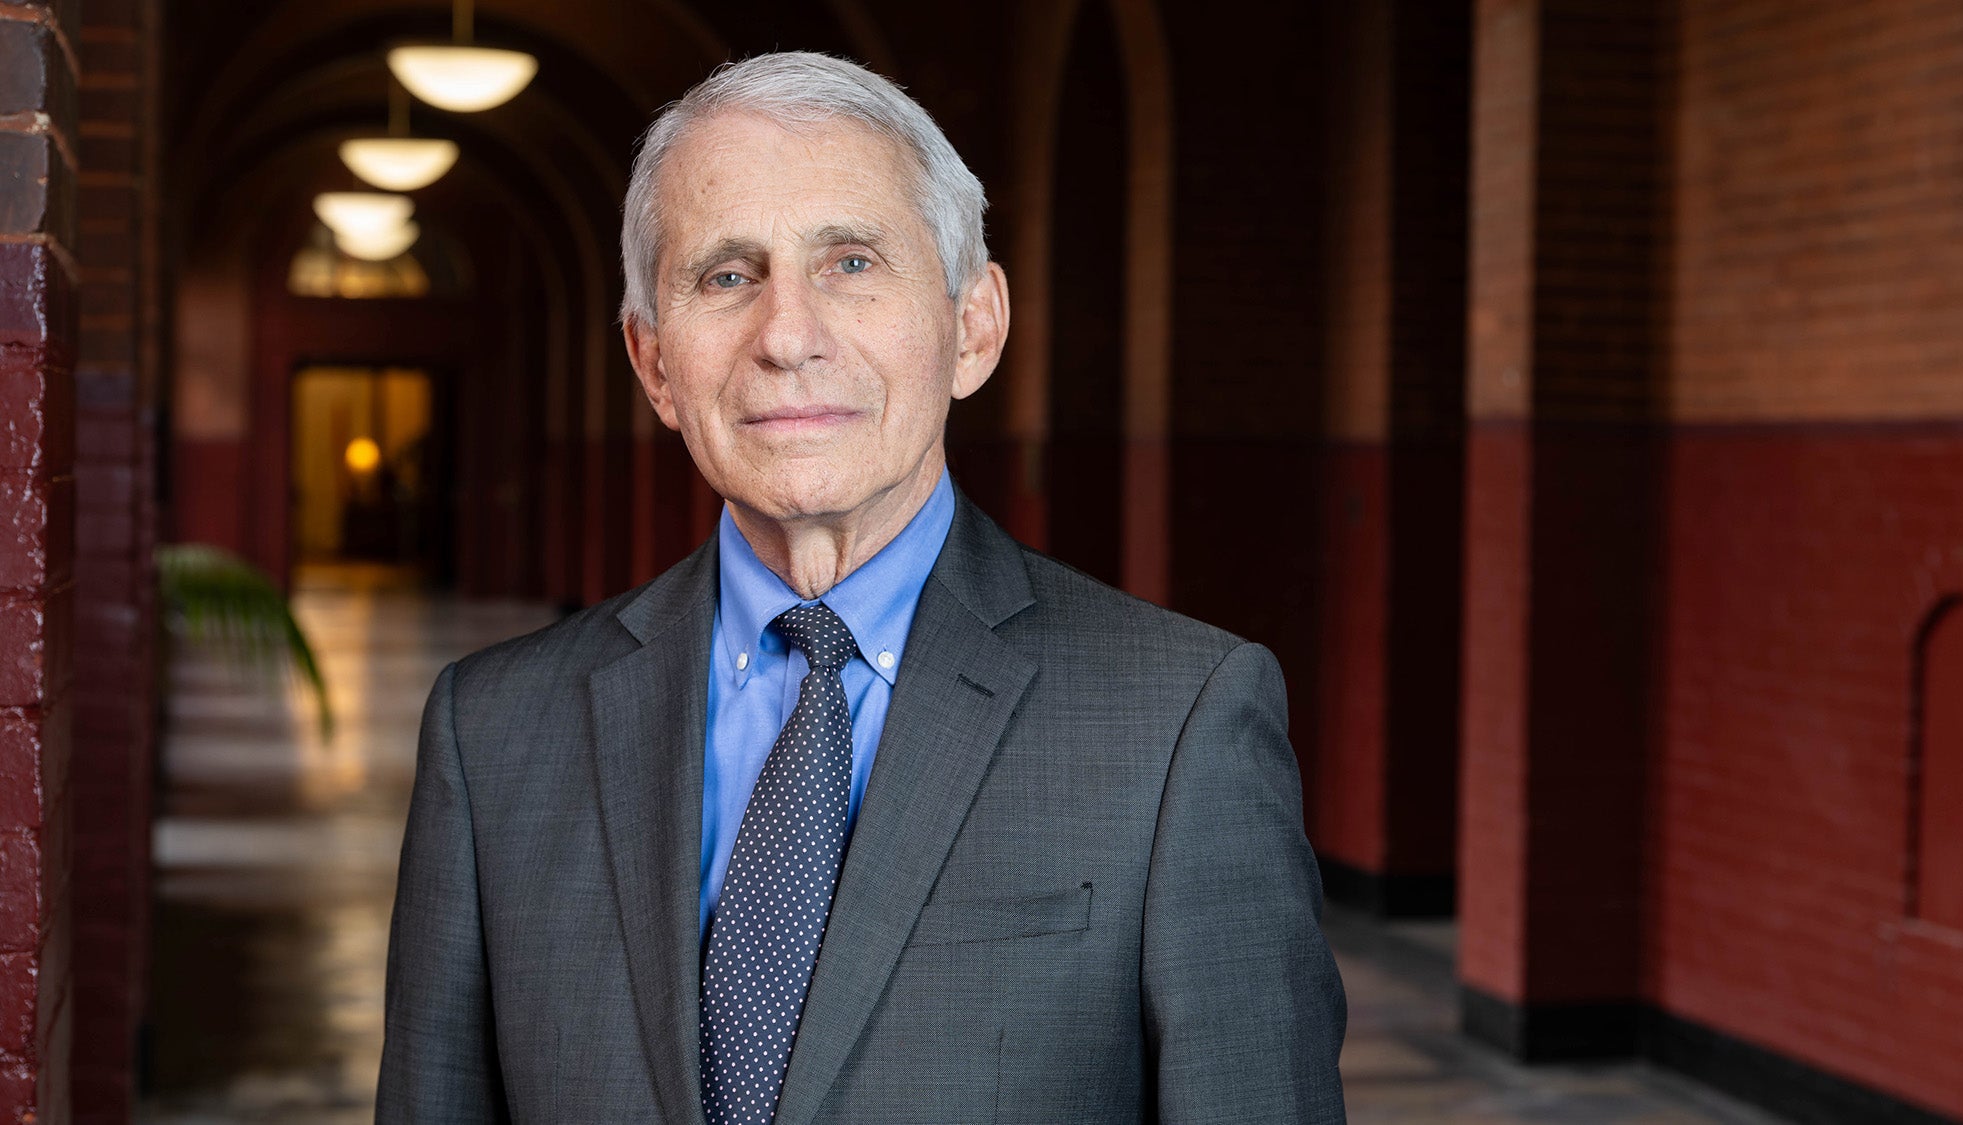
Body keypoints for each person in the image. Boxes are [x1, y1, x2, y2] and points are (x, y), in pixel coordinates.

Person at [377, 50, 1346, 1124]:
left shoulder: (1178, 725)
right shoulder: (491, 737)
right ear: (654, 364)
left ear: (973, 327)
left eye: (850, 262)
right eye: (726, 276)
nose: (787, 337)